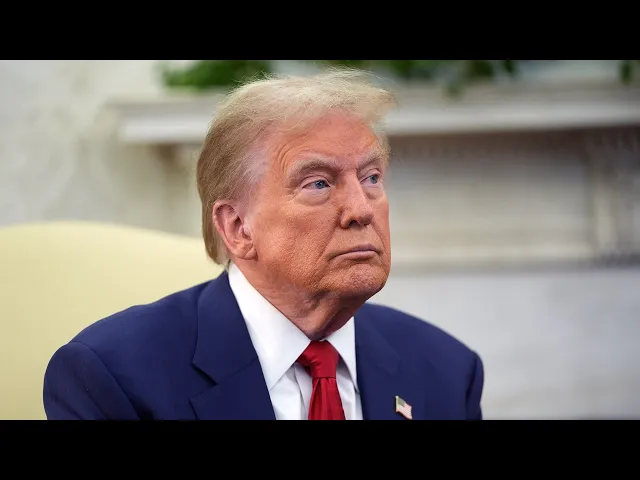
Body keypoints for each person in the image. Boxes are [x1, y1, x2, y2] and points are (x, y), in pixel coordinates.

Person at [43, 69, 484, 420]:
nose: (360, 209)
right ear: (237, 227)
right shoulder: (114, 376)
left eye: (371, 178)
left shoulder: (446, 371)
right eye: (318, 183)